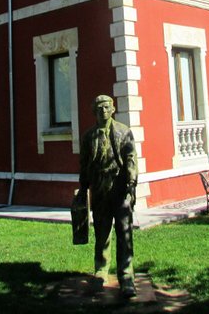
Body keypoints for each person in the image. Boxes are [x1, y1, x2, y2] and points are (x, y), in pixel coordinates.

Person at [75, 94, 138, 298]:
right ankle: (101, 271)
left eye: (107, 107)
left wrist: (131, 182)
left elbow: (130, 159)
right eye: (99, 108)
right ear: (95, 111)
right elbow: (84, 164)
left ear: (113, 109)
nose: (103, 111)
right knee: (102, 234)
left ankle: (126, 277)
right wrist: (83, 189)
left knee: (124, 234)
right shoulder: (88, 136)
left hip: (120, 190)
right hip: (99, 191)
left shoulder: (123, 132)